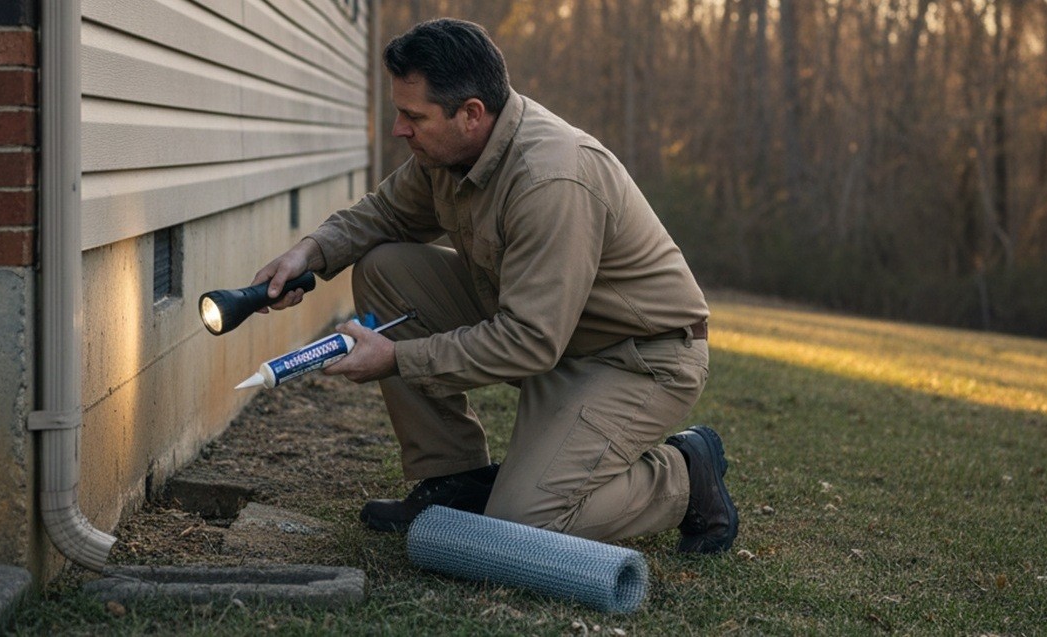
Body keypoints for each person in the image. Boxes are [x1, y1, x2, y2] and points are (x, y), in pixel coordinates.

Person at [252, 18, 738, 553]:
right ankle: (456, 478)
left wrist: (396, 358)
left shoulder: (550, 180)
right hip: (548, 333)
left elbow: (530, 340)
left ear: (471, 113)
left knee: (523, 522)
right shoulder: (449, 152)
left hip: (636, 357)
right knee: (384, 268)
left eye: (414, 116)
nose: (399, 130)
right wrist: (308, 253)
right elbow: (386, 215)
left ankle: (685, 475)